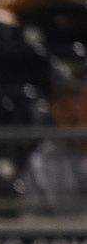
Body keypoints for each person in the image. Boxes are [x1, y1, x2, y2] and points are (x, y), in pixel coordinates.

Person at [19, 60, 87, 213]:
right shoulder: (41, 160)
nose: (68, 107)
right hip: (61, 235)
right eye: (59, 100)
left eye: (75, 96)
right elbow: (31, 220)